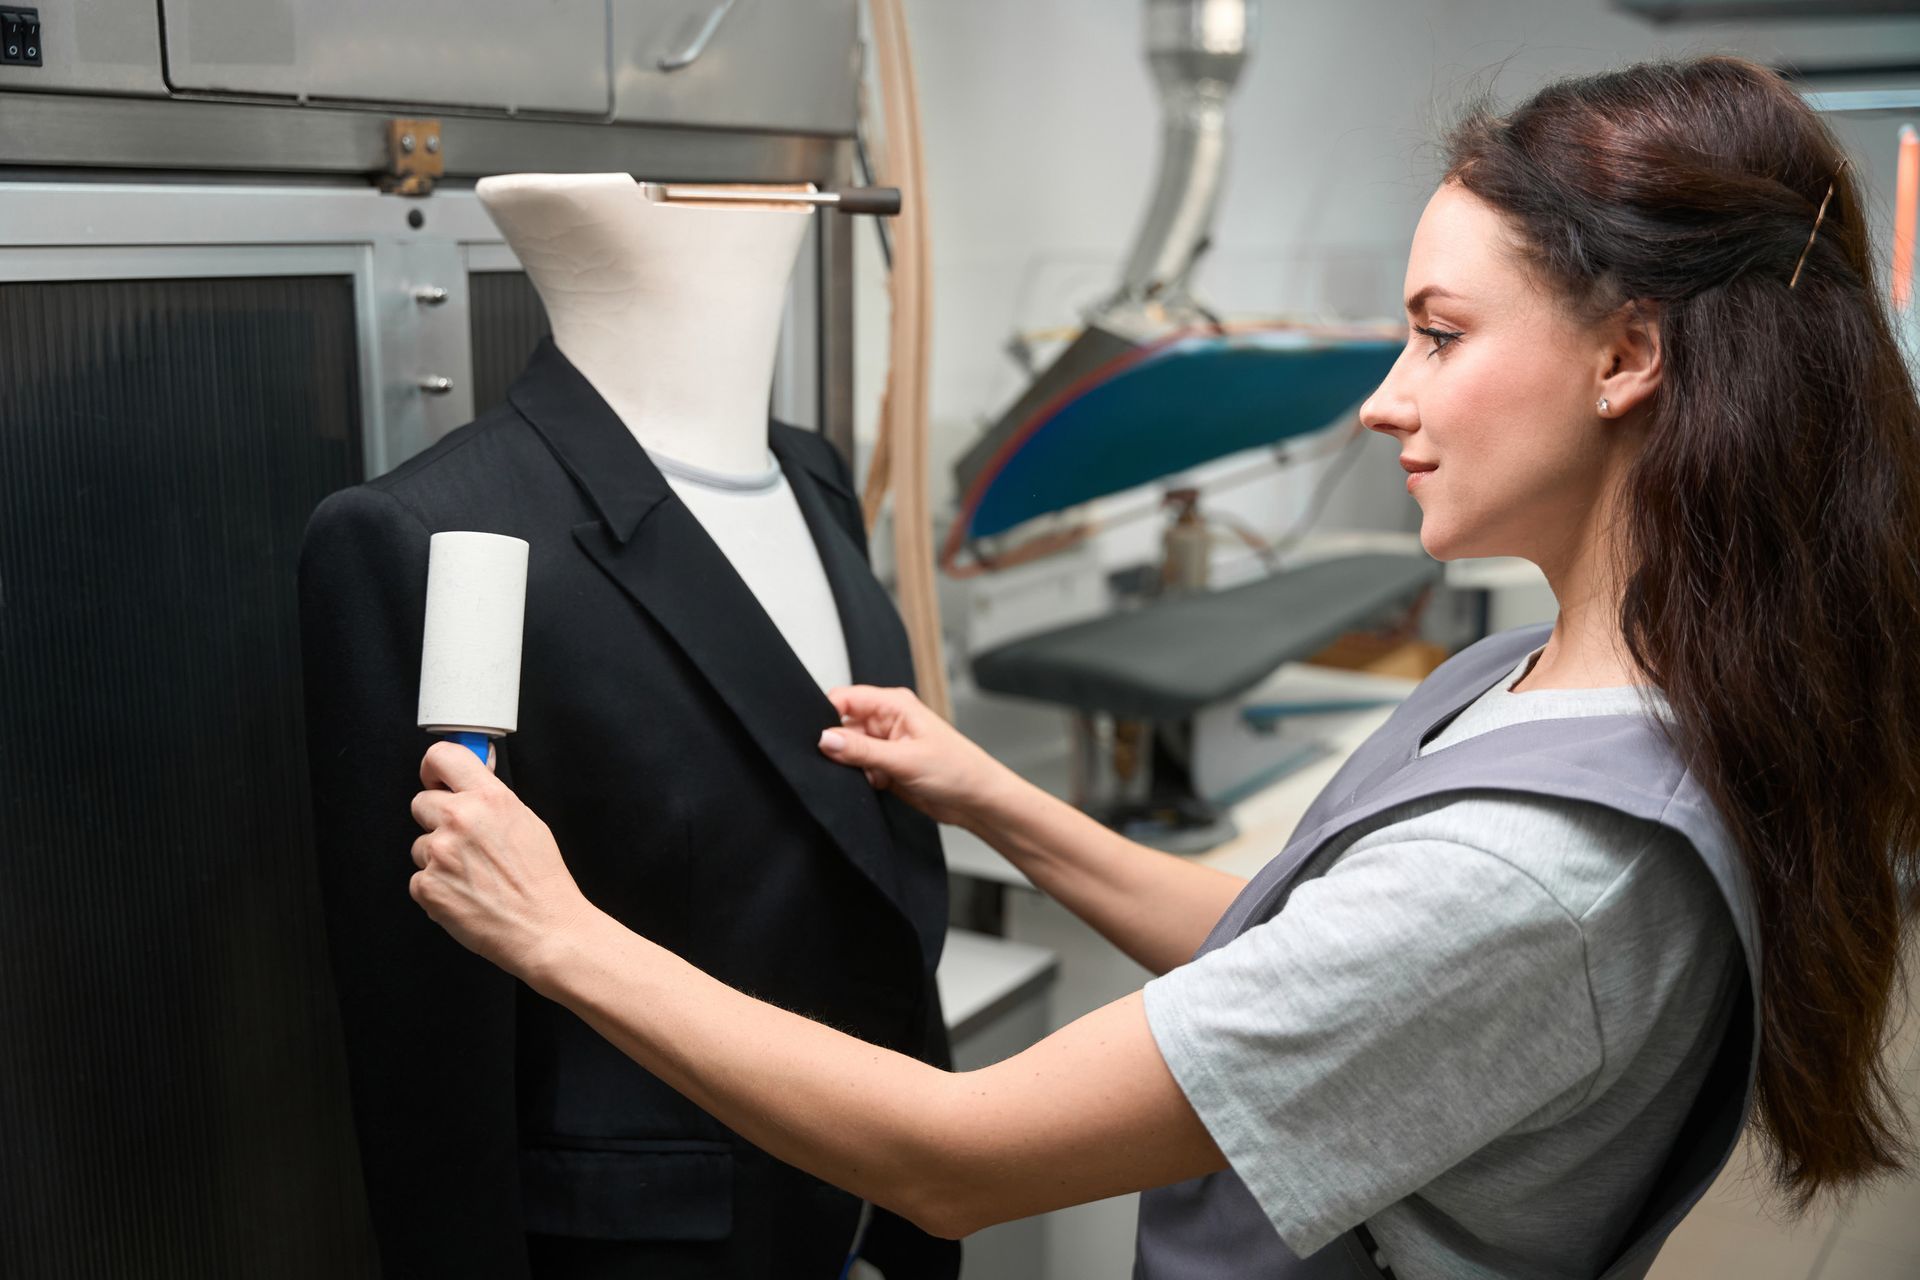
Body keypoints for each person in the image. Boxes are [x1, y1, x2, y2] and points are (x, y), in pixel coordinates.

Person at [402, 56, 1920, 1278]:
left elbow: (954, 1160)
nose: (1386, 400)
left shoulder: (1543, 871)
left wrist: (556, 934)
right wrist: (997, 798)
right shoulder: (1577, 679)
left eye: (1441, 336)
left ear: (1626, 358)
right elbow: (1298, 958)